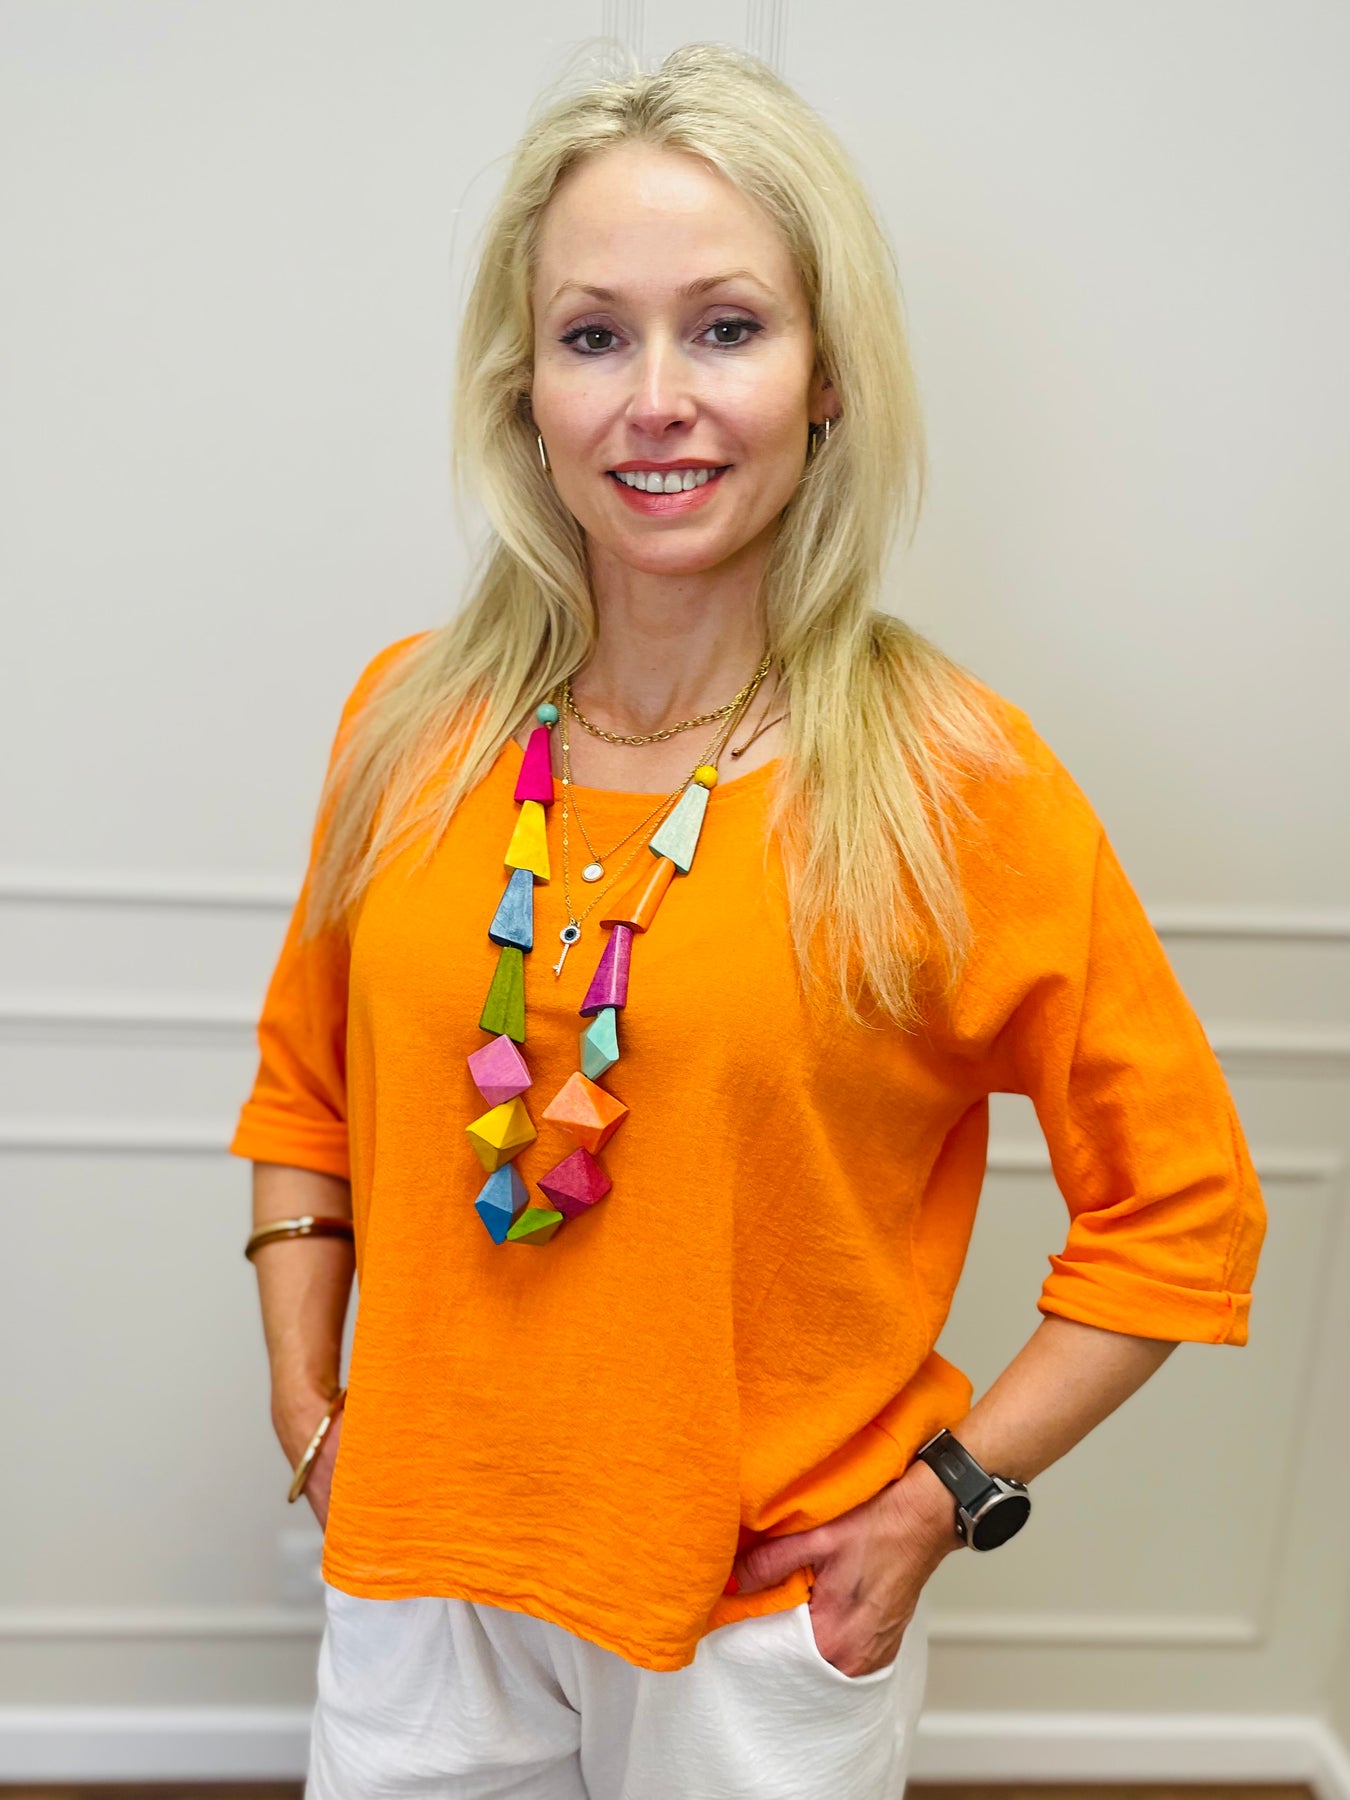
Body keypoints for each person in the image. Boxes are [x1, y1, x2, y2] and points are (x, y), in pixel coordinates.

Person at [230, 40, 1267, 1800]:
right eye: (592, 336)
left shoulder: (952, 781)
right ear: (522, 392)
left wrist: (948, 1498)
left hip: (756, 1624)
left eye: (724, 328)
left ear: (825, 377)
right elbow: (303, 1093)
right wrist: (306, 1404)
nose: (656, 400)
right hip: (420, 1579)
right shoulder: (408, 721)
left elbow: (1183, 1210)